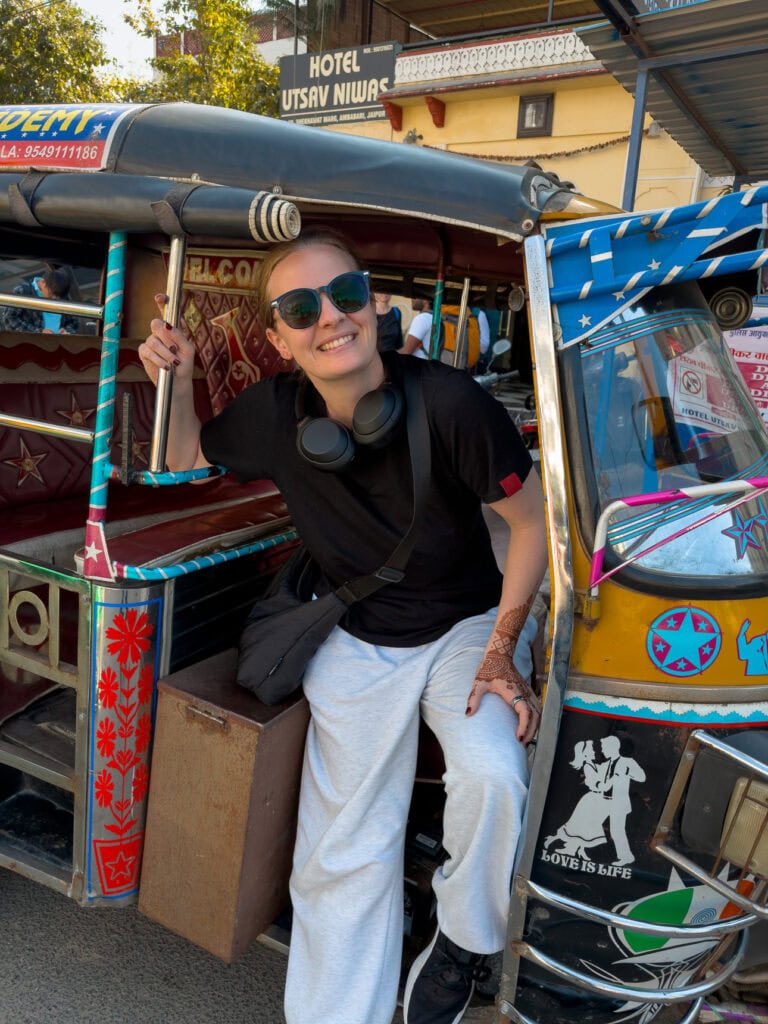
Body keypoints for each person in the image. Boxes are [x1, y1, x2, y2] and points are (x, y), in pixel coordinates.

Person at [138, 229, 548, 1024]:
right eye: (301, 308)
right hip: (356, 635)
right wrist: (179, 374)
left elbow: (531, 527)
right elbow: (187, 458)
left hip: (468, 625)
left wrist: (503, 650)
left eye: (346, 294)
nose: (331, 318)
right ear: (280, 339)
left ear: (373, 302)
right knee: (342, 854)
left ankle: (463, 941)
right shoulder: (271, 414)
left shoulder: (455, 404)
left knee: (494, 775)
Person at [0, 266, 82, 334]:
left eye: (57, 296)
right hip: (31, 345)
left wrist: (66, 331)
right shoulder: (23, 291)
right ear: (43, 282)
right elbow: (9, 320)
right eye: (51, 294)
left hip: (58, 345)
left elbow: (74, 321)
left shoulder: (61, 294)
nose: (54, 298)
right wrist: (38, 332)